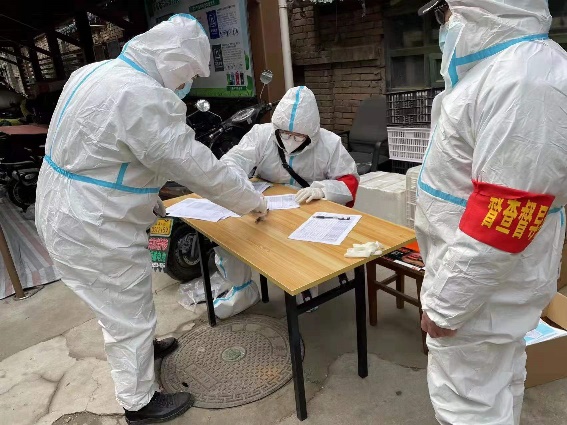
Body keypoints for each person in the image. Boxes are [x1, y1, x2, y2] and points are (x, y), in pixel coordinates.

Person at [35, 15, 267, 425]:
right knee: (126, 309)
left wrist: (148, 199)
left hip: (67, 207)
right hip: (94, 224)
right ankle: (139, 403)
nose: (189, 83)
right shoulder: (141, 97)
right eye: (190, 73)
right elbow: (198, 168)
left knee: (119, 304)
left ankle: (142, 349)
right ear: (174, 61)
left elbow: (102, 155)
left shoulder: (95, 72)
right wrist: (252, 201)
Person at [415, 1, 567, 424]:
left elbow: (504, 215)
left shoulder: (524, 78)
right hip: (484, 288)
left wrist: (446, 305)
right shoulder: (504, 70)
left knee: (468, 406)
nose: (443, 25)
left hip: (481, 296)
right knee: (496, 390)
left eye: (444, 12)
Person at [218, 86, 359, 306]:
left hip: (308, 208)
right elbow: (232, 162)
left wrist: (322, 190)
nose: (291, 140)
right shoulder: (261, 135)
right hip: (265, 206)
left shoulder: (329, 143)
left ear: (312, 134)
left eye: (299, 136)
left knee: (302, 245)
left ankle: (307, 289)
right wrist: (242, 189)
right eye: (285, 134)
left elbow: (349, 181)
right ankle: (242, 289)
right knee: (230, 233)